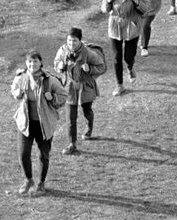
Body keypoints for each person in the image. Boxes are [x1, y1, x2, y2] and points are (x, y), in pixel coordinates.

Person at [10, 51, 68, 195]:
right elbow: (14, 89)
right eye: (30, 62)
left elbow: (63, 95)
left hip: (44, 124)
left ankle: (41, 183)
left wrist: (52, 97)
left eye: (35, 62)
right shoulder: (21, 78)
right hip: (26, 123)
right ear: (26, 64)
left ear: (40, 63)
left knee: (43, 155)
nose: (32, 64)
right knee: (23, 153)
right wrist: (17, 94)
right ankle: (28, 180)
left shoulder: (50, 80)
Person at [53, 27, 106, 154]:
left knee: (86, 110)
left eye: (74, 41)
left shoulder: (88, 53)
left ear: (80, 41)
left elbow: (102, 67)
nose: (71, 44)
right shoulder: (62, 50)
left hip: (86, 87)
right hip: (69, 87)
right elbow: (56, 63)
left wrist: (90, 69)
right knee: (70, 117)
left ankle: (89, 129)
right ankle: (72, 144)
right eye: (69, 41)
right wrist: (59, 67)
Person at [101, 0, 144, 96]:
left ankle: (130, 67)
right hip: (115, 26)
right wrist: (109, 1)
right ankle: (119, 85)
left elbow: (146, 8)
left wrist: (137, 3)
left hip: (132, 26)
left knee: (128, 56)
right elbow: (104, 9)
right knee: (116, 57)